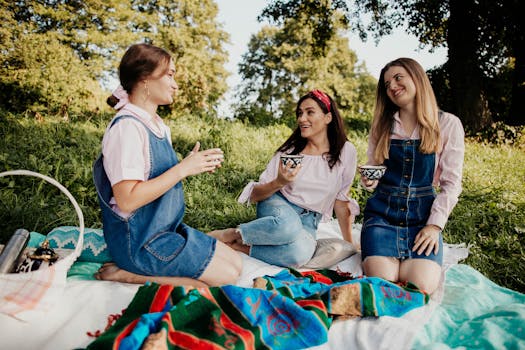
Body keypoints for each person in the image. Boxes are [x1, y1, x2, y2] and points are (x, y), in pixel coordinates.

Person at [93, 43, 242, 287]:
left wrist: (191, 166)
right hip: (139, 241)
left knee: (235, 265)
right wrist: (182, 169)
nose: (175, 84)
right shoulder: (127, 128)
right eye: (169, 75)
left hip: (164, 231)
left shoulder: (158, 126)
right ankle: (129, 275)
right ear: (144, 79)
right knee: (224, 278)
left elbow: (159, 181)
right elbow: (127, 200)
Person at [209, 90, 360, 267]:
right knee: (286, 227)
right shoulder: (290, 152)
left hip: (309, 221)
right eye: (300, 113)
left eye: (310, 112)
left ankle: (237, 246)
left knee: (299, 255)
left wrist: (349, 243)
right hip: (278, 205)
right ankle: (232, 234)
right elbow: (255, 195)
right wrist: (279, 182)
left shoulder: (346, 151)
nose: (302, 119)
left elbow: (341, 201)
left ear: (328, 117)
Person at [360, 57, 465, 294]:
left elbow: (451, 184)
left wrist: (434, 227)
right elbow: (373, 171)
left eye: (398, 78)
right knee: (384, 284)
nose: (392, 86)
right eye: (387, 84)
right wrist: (369, 180)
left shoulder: (447, 124)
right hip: (382, 217)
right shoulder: (382, 125)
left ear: (417, 78)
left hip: (422, 220)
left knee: (420, 287)